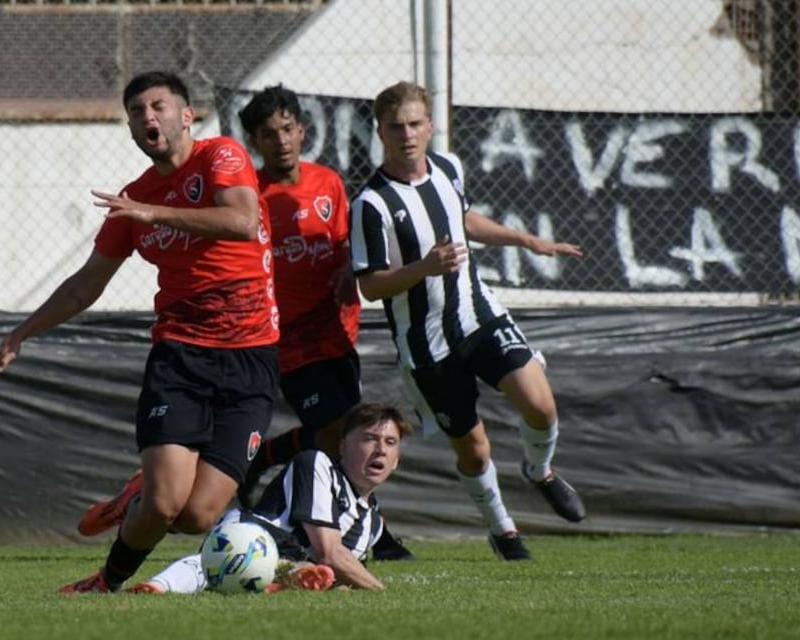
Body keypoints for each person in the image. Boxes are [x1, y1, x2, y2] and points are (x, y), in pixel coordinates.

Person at [0, 71, 280, 593]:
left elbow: (241, 221)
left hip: (252, 356)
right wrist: (19, 335)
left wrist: (154, 211)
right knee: (163, 506)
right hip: (181, 355)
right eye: (136, 112)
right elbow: (85, 284)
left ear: (187, 116)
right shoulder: (132, 200)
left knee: (198, 517)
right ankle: (106, 582)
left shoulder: (219, 157)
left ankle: (131, 498)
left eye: (158, 106)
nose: (147, 118)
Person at [76, 84, 413, 561]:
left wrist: (346, 267)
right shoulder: (244, 190)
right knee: (339, 433)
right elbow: (231, 231)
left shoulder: (329, 184)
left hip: (335, 334)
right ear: (254, 141)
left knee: (328, 442)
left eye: (288, 130)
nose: (281, 141)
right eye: (268, 134)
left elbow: (341, 244)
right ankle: (358, 532)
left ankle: (277, 476)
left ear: (303, 130)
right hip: (279, 342)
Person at [349, 81, 586, 561]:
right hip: (428, 345)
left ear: (430, 126)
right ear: (380, 132)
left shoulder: (449, 167)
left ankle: (539, 470)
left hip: (478, 315)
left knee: (540, 404)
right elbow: (371, 286)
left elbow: (465, 220)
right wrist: (424, 268)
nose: (407, 135)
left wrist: (526, 241)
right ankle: (503, 531)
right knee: (474, 450)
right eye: (395, 127)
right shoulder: (371, 204)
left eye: (415, 124)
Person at [126, 401, 414, 594]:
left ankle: (286, 577)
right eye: (369, 439)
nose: (380, 450)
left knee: (314, 574)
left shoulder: (374, 524)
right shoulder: (317, 464)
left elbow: (344, 572)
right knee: (234, 558)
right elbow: (332, 553)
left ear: (397, 460)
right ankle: (159, 586)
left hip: (297, 561)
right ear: (342, 446)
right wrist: (381, 592)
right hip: (252, 536)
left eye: (390, 443)